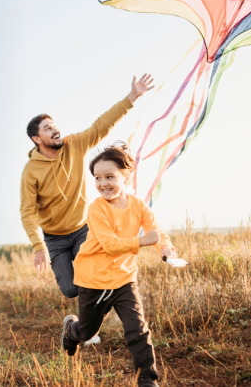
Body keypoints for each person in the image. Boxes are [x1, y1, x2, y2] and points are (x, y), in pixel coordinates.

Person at [20, 74, 154, 298]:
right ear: (37, 139)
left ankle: (88, 328)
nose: (55, 130)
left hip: (83, 229)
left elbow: (101, 126)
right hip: (55, 238)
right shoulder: (31, 170)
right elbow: (27, 212)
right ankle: (77, 324)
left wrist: (132, 97)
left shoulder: (74, 145)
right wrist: (37, 245)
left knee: (93, 279)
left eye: (54, 125)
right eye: (47, 128)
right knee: (71, 289)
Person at [61, 144, 175, 387]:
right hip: (93, 280)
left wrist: (165, 248)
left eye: (110, 177)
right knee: (88, 332)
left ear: (126, 176)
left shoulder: (137, 205)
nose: (103, 183)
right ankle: (72, 331)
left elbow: (157, 230)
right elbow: (111, 244)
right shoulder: (97, 209)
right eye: (98, 178)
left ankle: (146, 378)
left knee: (138, 328)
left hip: (124, 279)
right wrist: (144, 241)